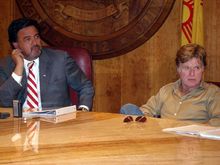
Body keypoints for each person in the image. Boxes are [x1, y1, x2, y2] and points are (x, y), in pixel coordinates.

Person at [0, 18, 94, 111]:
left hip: (56, 122)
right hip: (21, 122)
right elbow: (4, 101)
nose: (35, 43)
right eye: (28, 39)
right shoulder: (5, 65)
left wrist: (83, 110)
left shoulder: (60, 59)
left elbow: (85, 86)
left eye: (36, 37)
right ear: (16, 45)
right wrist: (19, 68)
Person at [120, 43, 220, 126]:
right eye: (186, 68)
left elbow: (218, 121)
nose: (192, 73)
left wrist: (194, 130)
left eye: (197, 68)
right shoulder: (166, 90)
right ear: (178, 69)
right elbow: (147, 110)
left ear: (203, 69)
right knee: (127, 108)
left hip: (193, 144)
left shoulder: (213, 93)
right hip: (163, 141)